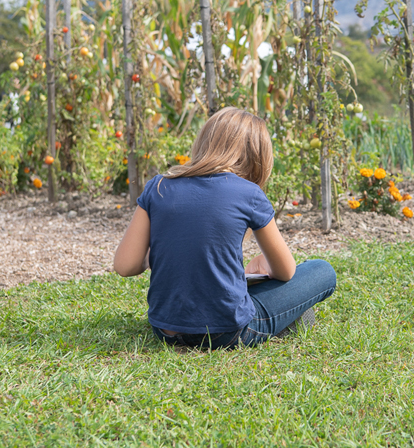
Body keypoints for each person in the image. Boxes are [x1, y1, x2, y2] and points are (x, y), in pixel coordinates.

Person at [113, 107, 337, 349]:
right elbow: (286, 272)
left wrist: (163, 250)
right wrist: (263, 264)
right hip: (227, 333)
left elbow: (125, 265)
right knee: (322, 270)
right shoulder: (249, 193)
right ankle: (289, 319)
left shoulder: (158, 187)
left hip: (165, 330)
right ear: (257, 156)